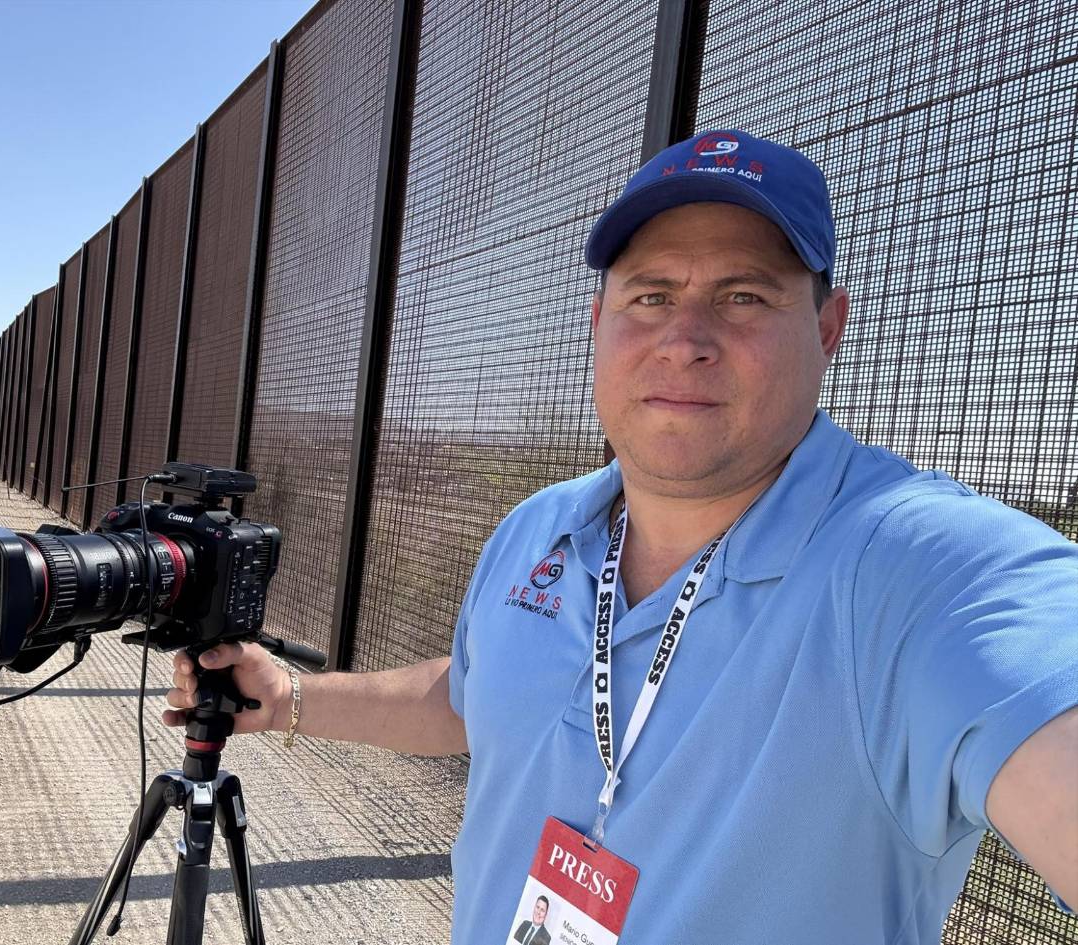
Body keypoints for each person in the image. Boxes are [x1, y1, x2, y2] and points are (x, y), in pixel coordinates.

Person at [165, 129, 1078, 944]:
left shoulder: (925, 572)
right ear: (598, 324)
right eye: (650, 294)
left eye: (744, 295)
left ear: (828, 328)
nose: (684, 338)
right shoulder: (540, 527)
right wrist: (291, 697)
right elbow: (479, 697)